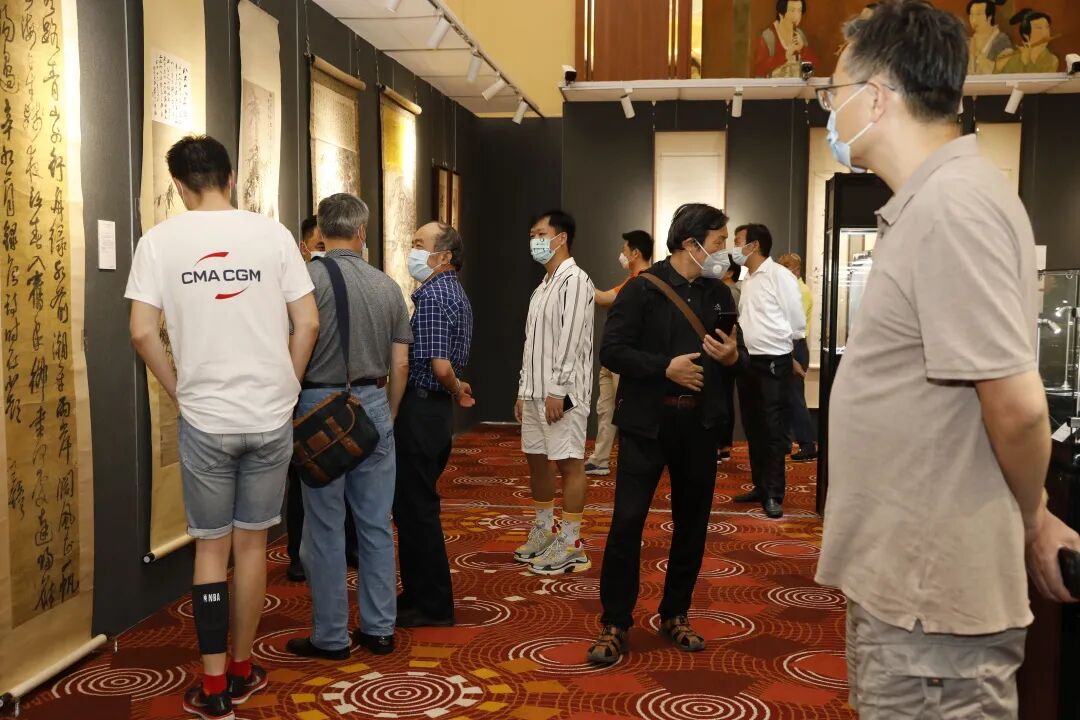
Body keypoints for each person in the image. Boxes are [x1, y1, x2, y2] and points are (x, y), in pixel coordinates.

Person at [813, 3, 1080, 717]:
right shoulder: (935, 201)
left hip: (930, 605)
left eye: (834, 92)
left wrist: (1034, 516)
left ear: (876, 97)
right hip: (911, 591)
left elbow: (1016, 407)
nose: (829, 111)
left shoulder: (952, 207)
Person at [126, 135, 320, 720]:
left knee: (210, 551)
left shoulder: (159, 242)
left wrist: (178, 391)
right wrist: (288, 385)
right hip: (269, 414)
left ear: (178, 186)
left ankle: (213, 686)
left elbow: (141, 331)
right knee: (253, 544)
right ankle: (242, 666)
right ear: (231, 177)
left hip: (206, 418)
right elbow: (307, 323)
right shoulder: (273, 235)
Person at [586, 204, 747, 665]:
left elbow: (737, 357)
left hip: (699, 427)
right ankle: (615, 622)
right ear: (691, 244)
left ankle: (676, 613)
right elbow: (612, 351)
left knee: (692, 526)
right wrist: (665, 368)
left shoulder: (720, 293)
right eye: (719, 241)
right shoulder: (643, 288)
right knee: (626, 523)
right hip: (646, 425)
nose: (725, 250)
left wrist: (734, 357)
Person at [286, 193, 412, 661]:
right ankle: (379, 630)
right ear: (362, 231)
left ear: (320, 232)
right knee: (376, 524)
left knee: (324, 529)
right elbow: (400, 364)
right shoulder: (387, 286)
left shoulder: (304, 281)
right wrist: (389, 413)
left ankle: (331, 636)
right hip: (373, 402)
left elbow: (291, 345)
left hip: (317, 407)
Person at [393, 222, 475, 628]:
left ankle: (432, 604)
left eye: (419, 244)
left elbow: (438, 366)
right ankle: (420, 595)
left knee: (415, 509)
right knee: (416, 506)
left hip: (422, 411)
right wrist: (457, 387)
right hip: (435, 412)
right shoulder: (453, 292)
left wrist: (456, 387)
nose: (413, 251)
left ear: (443, 256)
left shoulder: (433, 296)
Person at [514, 210, 596, 575]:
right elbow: (531, 344)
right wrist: (523, 390)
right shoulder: (542, 286)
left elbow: (571, 339)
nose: (534, 240)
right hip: (535, 392)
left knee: (569, 462)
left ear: (561, 238)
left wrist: (557, 389)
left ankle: (572, 543)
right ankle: (545, 529)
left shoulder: (575, 281)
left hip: (564, 393)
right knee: (536, 458)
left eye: (540, 234)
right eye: (532, 234)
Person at [286, 216, 358, 583]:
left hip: (342, 394)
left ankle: (347, 549)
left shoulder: (351, 283)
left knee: (348, 481)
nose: (325, 253)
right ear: (303, 248)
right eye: (318, 246)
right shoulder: (294, 288)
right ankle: (299, 557)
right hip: (303, 396)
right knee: (305, 482)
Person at [731, 224, 805, 519]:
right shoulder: (748, 278)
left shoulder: (779, 275)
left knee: (773, 429)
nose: (734, 247)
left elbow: (796, 320)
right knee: (754, 426)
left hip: (773, 360)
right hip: (747, 361)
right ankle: (760, 486)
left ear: (754, 245)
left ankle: (774, 493)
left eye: (738, 241)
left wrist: (786, 349)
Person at [586, 230, 653, 478]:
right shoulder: (630, 281)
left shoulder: (642, 282)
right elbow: (606, 299)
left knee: (625, 409)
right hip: (612, 357)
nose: (621, 255)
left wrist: (579, 280)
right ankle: (600, 459)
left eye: (624, 250)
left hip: (627, 358)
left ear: (635, 253)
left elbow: (604, 298)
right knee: (606, 409)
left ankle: (633, 461)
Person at [777, 252, 817, 463]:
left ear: (797, 269)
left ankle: (807, 444)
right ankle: (784, 442)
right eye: (781, 265)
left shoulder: (800, 291)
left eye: (786, 266)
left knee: (795, 397)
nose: (781, 269)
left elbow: (793, 326)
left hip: (795, 346)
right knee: (784, 397)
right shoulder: (790, 289)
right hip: (789, 345)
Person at [754, 0, 820, 79]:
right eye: (792, 10)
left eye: (799, 11)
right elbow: (760, 70)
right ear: (781, 14)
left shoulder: (800, 35)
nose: (796, 16)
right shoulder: (769, 36)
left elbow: (813, 69)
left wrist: (802, 49)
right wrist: (785, 55)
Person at [718, 258, 743, 462]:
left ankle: (722, 445)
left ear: (729, 273)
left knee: (723, 398)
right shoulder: (734, 290)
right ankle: (724, 445)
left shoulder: (729, 292)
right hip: (728, 350)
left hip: (725, 350)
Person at [996, 8, 1058, 74]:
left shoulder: (1052, 60)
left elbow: (1036, 80)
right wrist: (998, 68)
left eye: (1047, 27)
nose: (1045, 33)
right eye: (1039, 28)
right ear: (1026, 35)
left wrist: (1026, 61)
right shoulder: (1014, 58)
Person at [966, 0, 1011, 75]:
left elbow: (1005, 70)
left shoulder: (1002, 40)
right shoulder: (969, 43)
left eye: (978, 14)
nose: (973, 20)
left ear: (989, 17)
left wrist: (978, 55)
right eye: (971, 15)